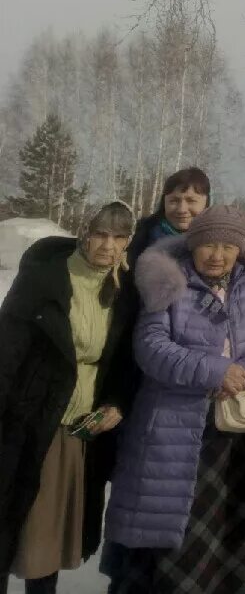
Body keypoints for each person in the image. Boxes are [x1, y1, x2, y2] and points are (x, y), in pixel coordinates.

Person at [104, 207, 245, 594]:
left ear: (242, 249)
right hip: (176, 427)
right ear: (193, 245)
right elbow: (150, 347)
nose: (217, 255)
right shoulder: (170, 281)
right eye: (207, 244)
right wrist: (214, 370)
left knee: (229, 522)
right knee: (175, 525)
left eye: (227, 246)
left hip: (237, 428)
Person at [0, 202, 134, 594]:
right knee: (10, 524)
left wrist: (116, 404)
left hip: (76, 433)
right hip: (27, 423)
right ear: (84, 233)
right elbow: (7, 352)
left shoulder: (125, 293)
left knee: (50, 540)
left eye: (119, 237)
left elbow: (124, 364)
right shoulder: (45, 279)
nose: (108, 245)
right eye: (101, 234)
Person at [96, 168, 213, 592]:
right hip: (135, 372)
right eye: (174, 199)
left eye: (192, 200)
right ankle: (128, 579)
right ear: (163, 201)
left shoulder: (208, 247)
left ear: (205, 205)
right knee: (140, 488)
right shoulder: (140, 241)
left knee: (173, 494)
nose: (182, 208)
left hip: (186, 386)